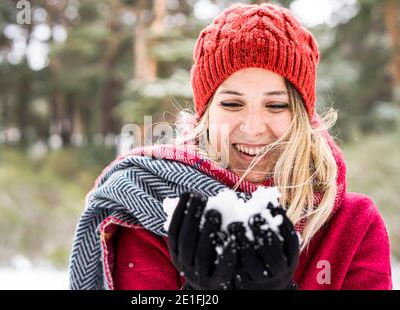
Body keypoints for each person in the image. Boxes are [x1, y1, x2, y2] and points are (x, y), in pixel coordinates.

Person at [69, 2, 392, 290]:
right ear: (205, 114)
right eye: (233, 104)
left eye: (277, 106)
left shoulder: (353, 225)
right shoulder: (148, 210)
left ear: (302, 116)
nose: (252, 127)